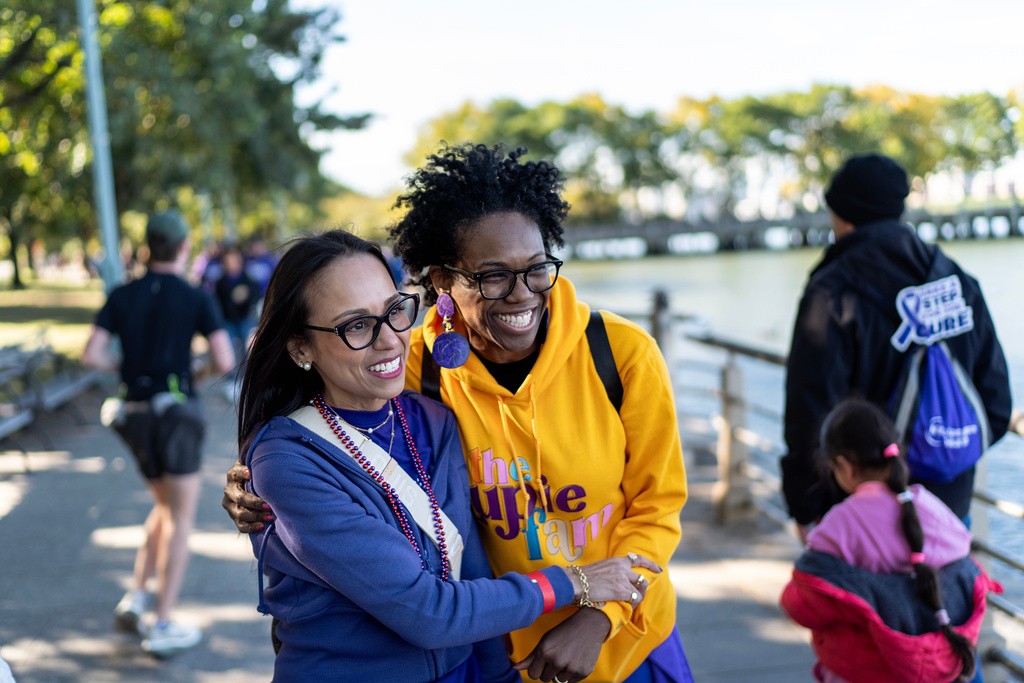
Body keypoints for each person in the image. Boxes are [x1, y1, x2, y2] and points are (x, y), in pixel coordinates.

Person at [225, 143, 692, 683]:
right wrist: (255, 484)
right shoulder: (413, 365)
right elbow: (330, 433)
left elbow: (657, 511)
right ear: (441, 281)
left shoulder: (621, 354)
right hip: (506, 648)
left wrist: (600, 616)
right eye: (492, 276)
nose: (522, 296)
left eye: (537, 269)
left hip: (624, 638)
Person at [780, 152, 1012, 541]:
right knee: (945, 602)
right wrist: (945, 460)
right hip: (950, 515)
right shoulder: (955, 279)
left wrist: (805, 505)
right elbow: (996, 403)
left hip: (861, 521)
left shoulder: (832, 291)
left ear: (845, 215)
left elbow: (810, 410)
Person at [82, 210, 236, 655]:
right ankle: (163, 623)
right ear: (185, 247)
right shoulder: (195, 296)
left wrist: (132, 369)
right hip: (176, 412)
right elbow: (225, 361)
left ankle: (137, 596)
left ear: (148, 247)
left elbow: (91, 354)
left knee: (163, 506)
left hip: (132, 413)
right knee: (181, 518)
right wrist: (193, 371)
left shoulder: (122, 294)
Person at [780, 398, 1001, 683]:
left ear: (845, 466)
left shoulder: (837, 526)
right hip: (938, 670)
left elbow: (801, 605)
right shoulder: (938, 513)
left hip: (862, 672)